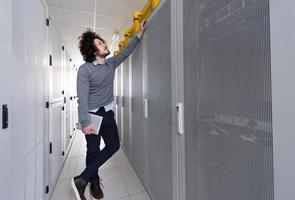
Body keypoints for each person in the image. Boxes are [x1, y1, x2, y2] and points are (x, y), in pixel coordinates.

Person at [71, 21, 147, 200]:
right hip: (92, 116)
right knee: (93, 151)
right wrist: (85, 123)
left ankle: (82, 179)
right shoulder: (84, 70)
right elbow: (82, 97)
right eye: (99, 44)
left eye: (102, 42)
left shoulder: (110, 64)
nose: (104, 44)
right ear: (92, 51)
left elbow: (126, 52)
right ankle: (94, 181)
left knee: (114, 145)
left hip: (108, 114)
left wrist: (139, 34)